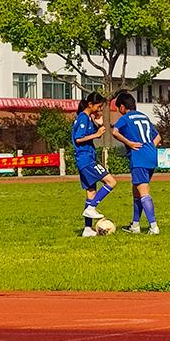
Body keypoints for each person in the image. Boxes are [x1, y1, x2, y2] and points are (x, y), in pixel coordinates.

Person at [110, 91, 161, 234]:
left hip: (139, 157)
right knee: (136, 190)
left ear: (122, 107)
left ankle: (153, 226)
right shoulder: (144, 116)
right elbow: (157, 137)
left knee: (143, 191)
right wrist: (149, 147)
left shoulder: (126, 118)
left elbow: (115, 132)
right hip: (151, 156)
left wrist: (129, 143)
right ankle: (135, 225)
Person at [72, 92, 115, 237]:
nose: (99, 109)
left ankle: (87, 229)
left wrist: (98, 125)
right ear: (90, 105)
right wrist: (97, 134)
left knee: (91, 192)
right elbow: (78, 139)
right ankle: (91, 207)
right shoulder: (83, 118)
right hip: (86, 159)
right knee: (111, 181)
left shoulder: (87, 118)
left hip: (84, 159)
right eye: (98, 106)